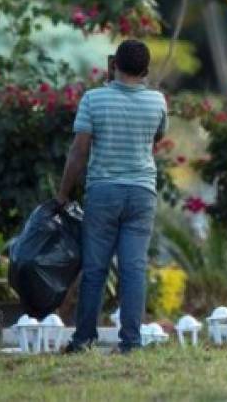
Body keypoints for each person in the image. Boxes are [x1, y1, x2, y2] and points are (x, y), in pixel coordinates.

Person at [56, 40, 168, 353]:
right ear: (146, 70)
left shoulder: (94, 99)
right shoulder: (157, 101)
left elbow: (79, 150)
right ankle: (131, 341)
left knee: (95, 268)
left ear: (114, 64)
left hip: (103, 191)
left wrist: (63, 193)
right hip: (142, 193)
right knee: (133, 269)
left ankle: (84, 339)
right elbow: (157, 135)